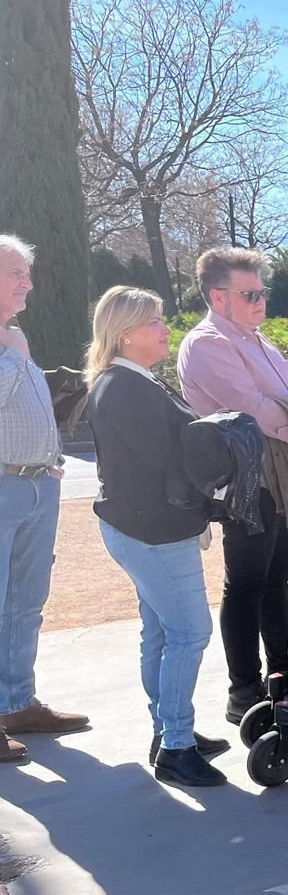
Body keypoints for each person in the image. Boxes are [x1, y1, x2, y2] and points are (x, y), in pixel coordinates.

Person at [86, 286, 229, 787]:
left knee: (163, 633)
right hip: (153, 531)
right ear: (125, 334)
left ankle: (168, 730)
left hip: (145, 527)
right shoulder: (125, 388)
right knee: (189, 632)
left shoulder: (129, 381)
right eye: (154, 321)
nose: (165, 328)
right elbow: (168, 458)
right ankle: (176, 746)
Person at [176, 246, 288, 725]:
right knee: (247, 584)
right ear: (217, 297)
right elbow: (255, 411)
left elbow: (287, 401)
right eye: (250, 294)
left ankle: (281, 675)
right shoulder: (207, 344)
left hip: (280, 477)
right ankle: (244, 689)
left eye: (263, 292)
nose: (260, 301)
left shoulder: (257, 340)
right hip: (245, 483)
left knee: (277, 578)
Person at [0, 234, 86, 763]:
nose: (28, 283)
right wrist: (16, 358)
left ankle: (15, 703)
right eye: (16, 273)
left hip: (36, 485)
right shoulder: (14, 345)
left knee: (25, 603)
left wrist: (48, 461)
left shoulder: (13, 335)